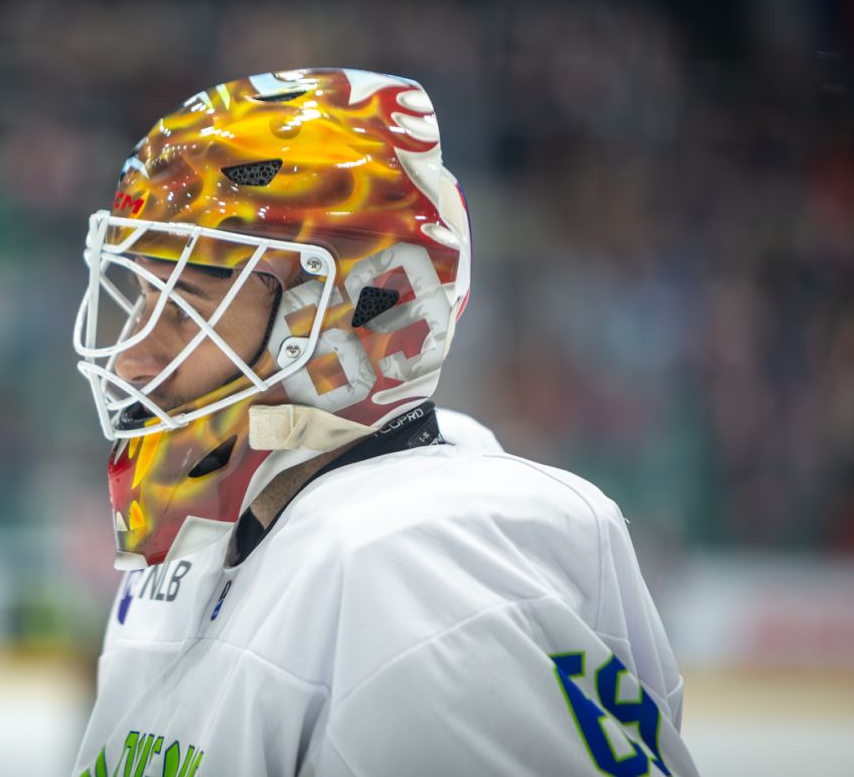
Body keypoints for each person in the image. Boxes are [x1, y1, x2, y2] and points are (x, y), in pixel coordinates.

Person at [71, 68, 698, 776]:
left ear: (349, 312)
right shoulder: (193, 560)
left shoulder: (422, 581)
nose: (132, 357)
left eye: (184, 306)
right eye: (142, 297)